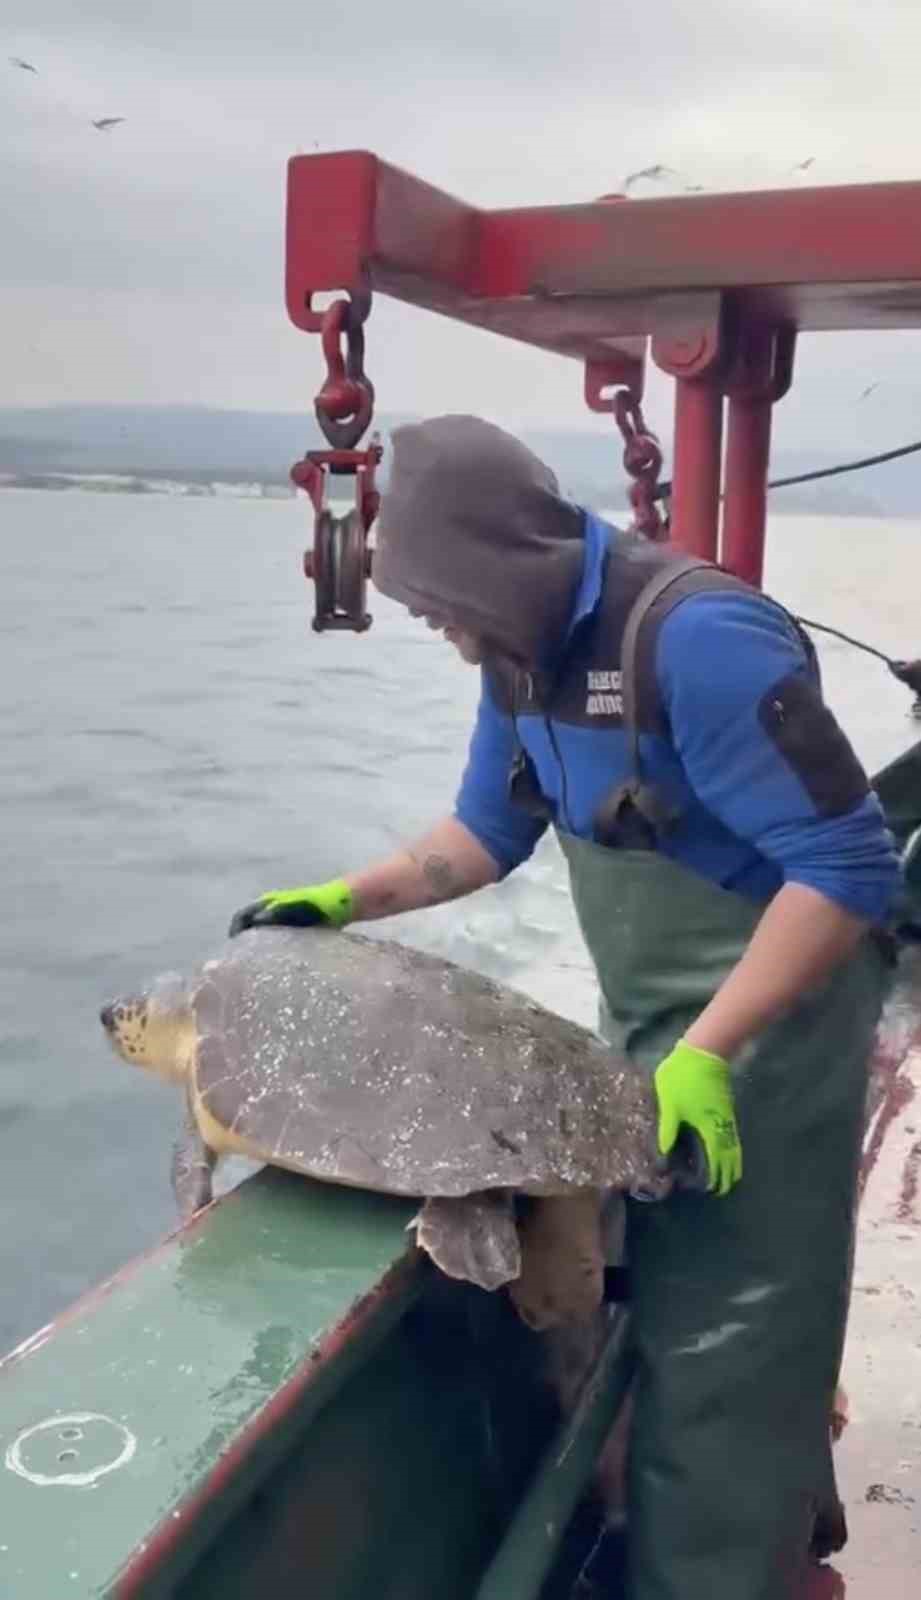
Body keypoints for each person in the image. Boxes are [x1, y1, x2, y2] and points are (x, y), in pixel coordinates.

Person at [229, 415, 899, 1599]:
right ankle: (741, 1516)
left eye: (444, 611)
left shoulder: (701, 640)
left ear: (499, 564)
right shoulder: (521, 655)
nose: (446, 640)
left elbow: (849, 868)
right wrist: (348, 898)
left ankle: (724, 1575)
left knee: (735, 1323)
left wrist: (708, 1050)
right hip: (656, 1018)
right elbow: (487, 831)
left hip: (772, 1026)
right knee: (663, 1291)